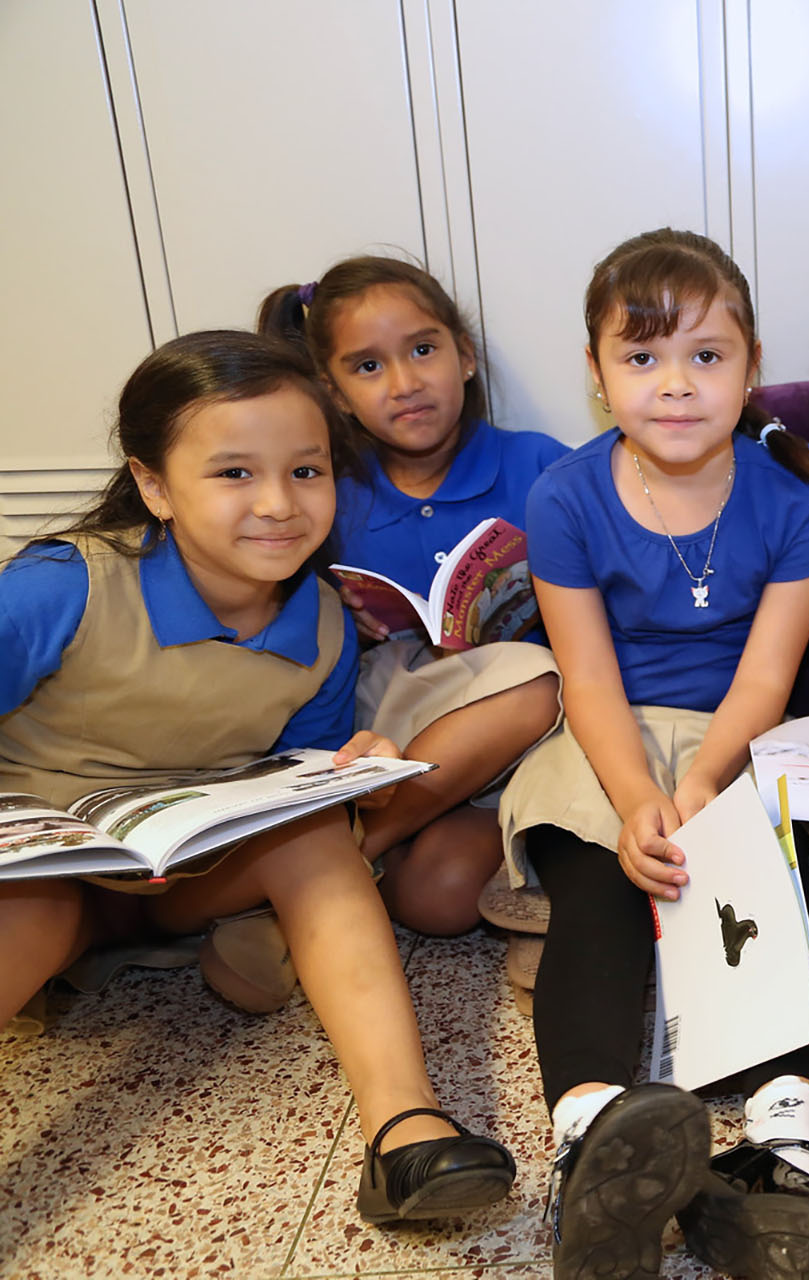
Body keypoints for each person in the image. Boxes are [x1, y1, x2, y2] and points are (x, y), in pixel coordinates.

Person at [0, 331, 515, 1224]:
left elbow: (290, 770)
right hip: (42, 875)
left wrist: (348, 774)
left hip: (182, 874)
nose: (278, 505)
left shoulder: (320, 624)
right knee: (37, 911)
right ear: (155, 485)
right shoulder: (64, 585)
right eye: (234, 474)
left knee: (314, 835)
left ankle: (405, 1132)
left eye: (306, 472)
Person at [497, 229, 809, 1280]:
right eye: (643, 357)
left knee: (761, 884)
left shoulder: (799, 504)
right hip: (611, 726)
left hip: (740, 731)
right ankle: (590, 1137)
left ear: (752, 368)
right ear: (597, 373)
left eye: (706, 357)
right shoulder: (565, 498)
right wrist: (633, 799)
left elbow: (764, 678)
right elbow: (586, 676)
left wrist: (708, 783)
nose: (675, 385)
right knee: (602, 887)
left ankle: (785, 1150)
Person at [258, 258, 564, 951]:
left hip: (514, 744)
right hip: (389, 730)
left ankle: (341, 868)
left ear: (465, 356)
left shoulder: (540, 464)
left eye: (423, 350)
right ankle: (350, 855)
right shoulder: (332, 493)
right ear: (334, 394)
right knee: (528, 684)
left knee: (441, 901)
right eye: (367, 367)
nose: (404, 383)